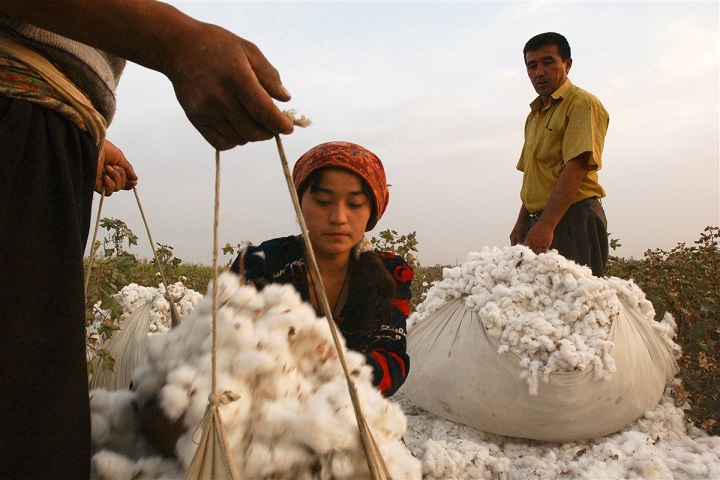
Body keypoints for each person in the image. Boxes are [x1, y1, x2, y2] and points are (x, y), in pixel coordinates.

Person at [0, 1, 293, 478]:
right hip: (16, 115)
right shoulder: (274, 261)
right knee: (26, 427)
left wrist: (86, 131)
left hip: (44, 122)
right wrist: (176, 41)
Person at [230, 141, 413, 398]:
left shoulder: (390, 273)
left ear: (372, 211)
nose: (338, 217)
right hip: (265, 409)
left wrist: (337, 372)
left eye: (355, 204)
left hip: (351, 409)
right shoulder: (261, 264)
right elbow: (226, 345)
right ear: (299, 203)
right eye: (324, 201)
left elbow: (392, 359)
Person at [509, 32, 610, 277]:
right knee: (541, 306)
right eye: (532, 66)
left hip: (572, 219)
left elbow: (575, 167)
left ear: (567, 64)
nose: (539, 72)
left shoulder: (581, 103)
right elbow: (536, 175)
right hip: (542, 220)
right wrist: (522, 221)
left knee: (576, 306)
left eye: (548, 62)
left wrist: (547, 224)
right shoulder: (534, 115)